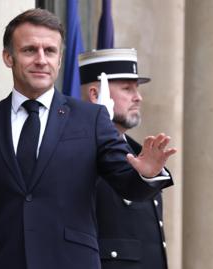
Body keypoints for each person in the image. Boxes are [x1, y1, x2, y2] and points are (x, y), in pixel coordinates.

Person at [0, 8, 176, 269]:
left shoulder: (91, 118)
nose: (41, 59)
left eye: (49, 51)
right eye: (29, 50)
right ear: (8, 57)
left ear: (60, 60)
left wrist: (147, 174)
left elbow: (125, 181)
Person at [79, 48, 169, 269]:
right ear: (95, 95)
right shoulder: (79, 148)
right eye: (127, 88)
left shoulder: (137, 151)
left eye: (137, 88)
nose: (138, 97)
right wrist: (99, 124)